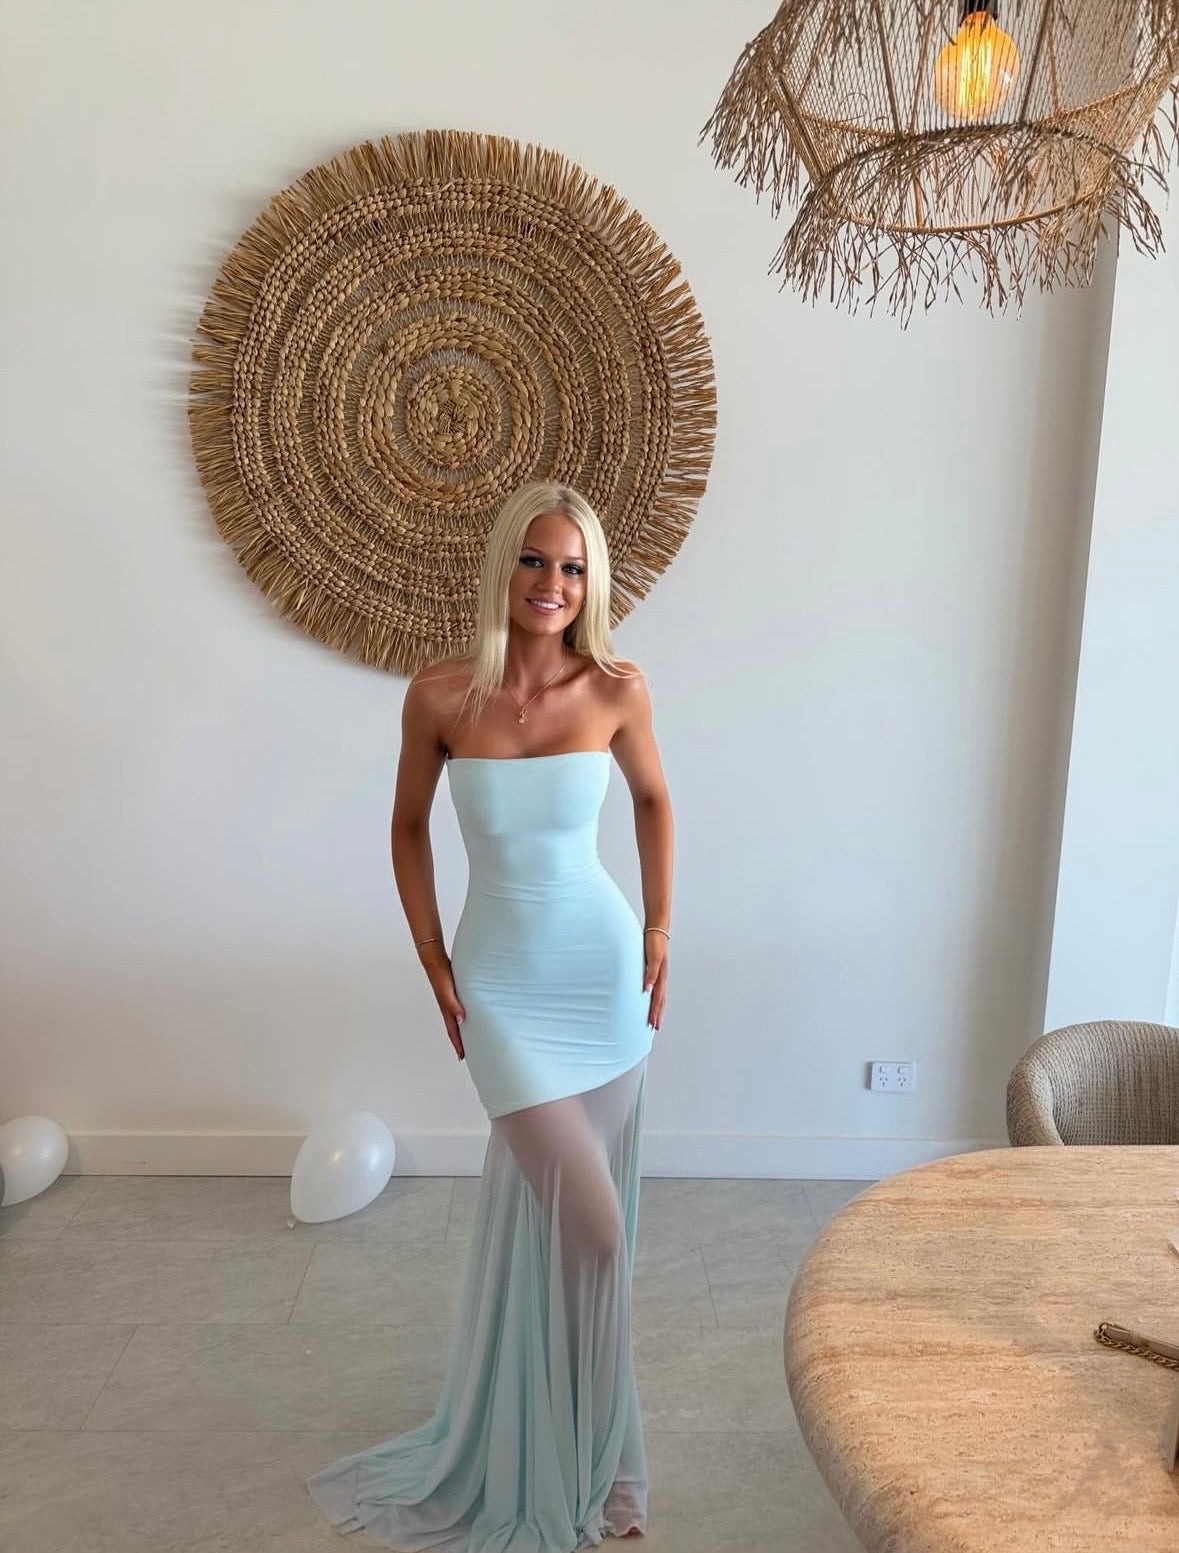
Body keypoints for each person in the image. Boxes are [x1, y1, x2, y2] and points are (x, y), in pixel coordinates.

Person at [306, 480, 674, 1553]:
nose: (553, 583)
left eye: (573, 567)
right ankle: (568, 1457)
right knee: (592, 1230)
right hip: (504, 987)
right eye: (535, 559)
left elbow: (654, 800)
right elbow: (407, 827)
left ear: (591, 582)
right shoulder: (438, 694)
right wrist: (431, 953)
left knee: (578, 1240)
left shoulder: (616, 687)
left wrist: (658, 929)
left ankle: (597, 1464)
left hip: (602, 979)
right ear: (502, 564)